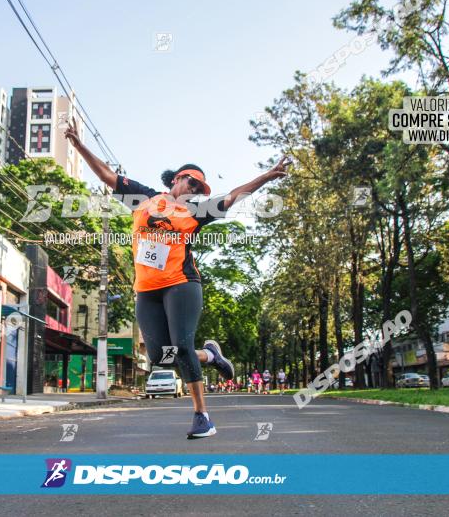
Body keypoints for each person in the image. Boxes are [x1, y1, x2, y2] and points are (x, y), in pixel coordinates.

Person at [66, 120, 290, 438]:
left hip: (181, 284)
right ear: (176, 180)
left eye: (200, 189)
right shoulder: (142, 197)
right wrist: (78, 145)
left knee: (182, 345)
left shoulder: (197, 213)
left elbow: (236, 195)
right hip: (146, 290)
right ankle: (209, 355)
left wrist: (267, 176)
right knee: (159, 355)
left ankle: (202, 416)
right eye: (193, 184)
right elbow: (106, 175)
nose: (196, 192)